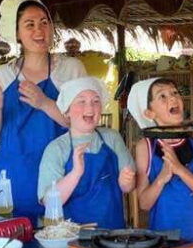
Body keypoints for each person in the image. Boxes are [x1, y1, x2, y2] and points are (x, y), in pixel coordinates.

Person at [0, 0, 86, 223]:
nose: (39, 30)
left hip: (59, 177)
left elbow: (82, 124)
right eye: (30, 24)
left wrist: (44, 103)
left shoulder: (70, 69)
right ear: (16, 33)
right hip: (11, 178)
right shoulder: (3, 75)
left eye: (44, 23)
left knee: (57, 246)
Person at [37, 78, 135, 228]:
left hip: (113, 235)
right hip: (71, 238)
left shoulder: (112, 138)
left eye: (96, 101)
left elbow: (128, 187)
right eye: (81, 101)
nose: (90, 107)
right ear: (67, 111)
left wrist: (126, 181)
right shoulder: (56, 149)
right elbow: (49, 203)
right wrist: (76, 173)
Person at [129, 78, 193, 243]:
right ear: (149, 113)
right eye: (162, 96)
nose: (173, 98)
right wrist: (162, 178)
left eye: (175, 92)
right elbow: (144, 204)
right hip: (162, 243)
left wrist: (180, 170)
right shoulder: (145, 147)